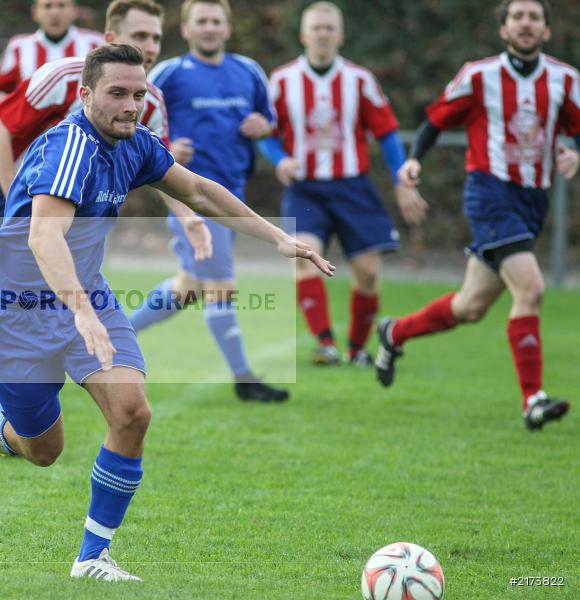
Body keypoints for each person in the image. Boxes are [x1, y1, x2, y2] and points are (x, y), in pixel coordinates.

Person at [0, 44, 334, 580]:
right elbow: (44, 236)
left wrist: (279, 237)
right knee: (44, 451)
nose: (131, 104)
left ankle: (91, 558)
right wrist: (82, 313)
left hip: (86, 296)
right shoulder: (67, 147)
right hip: (18, 314)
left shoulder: (137, 143)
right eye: (117, 93)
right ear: (85, 95)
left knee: (133, 413)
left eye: (139, 94)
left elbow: (199, 190)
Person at [0, 0, 211, 383]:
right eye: (139, 36)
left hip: (69, 207)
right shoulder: (60, 76)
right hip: (5, 193)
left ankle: (18, 403)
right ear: (110, 40)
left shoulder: (147, 100)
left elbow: (160, 170)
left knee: (59, 300)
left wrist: (187, 216)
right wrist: (17, 209)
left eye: (155, 37)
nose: (149, 47)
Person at [375, 0, 579, 431]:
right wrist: (414, 160)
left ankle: (394, 333)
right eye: (517, 17)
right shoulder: (479, 75)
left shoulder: (566, 79)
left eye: (534, 17)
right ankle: (533, 400)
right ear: (503, 29)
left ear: (546, 30)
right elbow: (434, 120)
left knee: (470, 306)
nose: (526, 24)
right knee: (532, 289)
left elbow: (576, 129)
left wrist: (573, 151)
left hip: (532, 200)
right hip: (489, 193)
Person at [129, 0, 288, 402]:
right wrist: (166, 148)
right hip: (193, 198)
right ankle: (245, 379)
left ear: (227, 28)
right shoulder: (167, 74)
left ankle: (116, 337)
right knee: (221, 286)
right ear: (185, 29)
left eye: (216, 21)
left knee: (190, 286)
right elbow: (137, 123)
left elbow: (269, 122)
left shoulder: (249, 71)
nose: (209, 28)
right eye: (201, 21)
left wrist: (263, 126)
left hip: (234, 195)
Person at [258, 1, 427, 367]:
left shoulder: (360, 81)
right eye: (316, 27)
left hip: (353, 188)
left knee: (368, 272)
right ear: (303, 35)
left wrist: (402, 181)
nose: (322, 33)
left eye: (329, 28)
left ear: (340, 36)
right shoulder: (282, 81)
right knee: (302, 255)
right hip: (306, 190)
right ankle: (325, 344)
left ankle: (356, 349)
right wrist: (280, 159)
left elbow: (387, 133)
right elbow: (265, 134)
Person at [0, 0, 104, 110]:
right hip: (33, 128)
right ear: (35, 12)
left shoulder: (96, 43)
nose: (55, 13)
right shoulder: (18, 47)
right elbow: (0, 90)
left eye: (62, 5)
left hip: (83, 128)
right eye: (47, 6)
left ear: (74, 11)